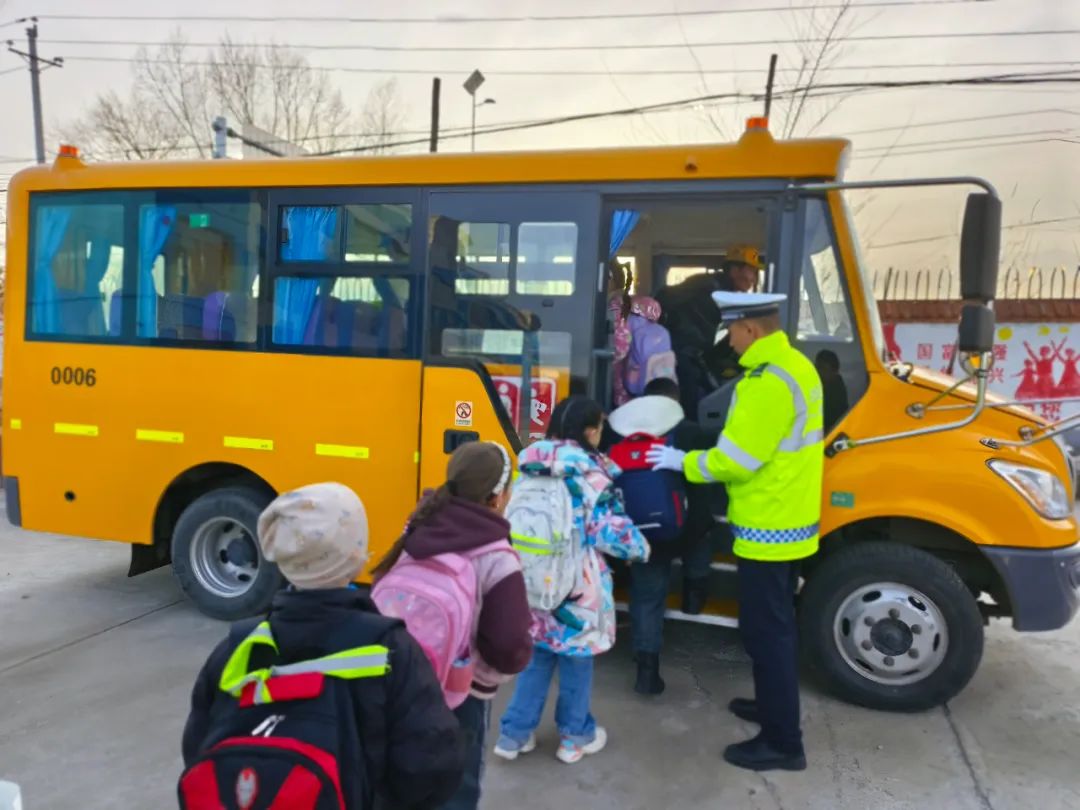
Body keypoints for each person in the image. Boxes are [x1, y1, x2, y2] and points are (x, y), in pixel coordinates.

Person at [181, 483, 465, 809]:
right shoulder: (391, 650)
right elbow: (431, 764)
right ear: (356, 557)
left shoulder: (237, 648)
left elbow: (197, 747)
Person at [649, 291, 823, 773]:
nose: (729, 342)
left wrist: (682, 461)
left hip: (769, 525)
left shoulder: (766, 382)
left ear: (751, 329)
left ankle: (783, 742)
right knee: (774, 626)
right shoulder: (796, 366)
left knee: (767, 634)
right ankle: (771, 707)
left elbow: (736, 460)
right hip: (790, 518)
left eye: (732, 332)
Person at [371, 441, 533, 810]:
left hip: (398, 679)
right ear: (497, 497)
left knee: (397, 774)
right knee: (455, 787)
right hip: (461, 694)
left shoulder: (418, 527)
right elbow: (509, 646)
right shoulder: (497, 556)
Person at [495, 396, 650, 765]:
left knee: (536, 659)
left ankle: (513, 735)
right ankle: (574, 737)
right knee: (577, 663)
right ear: (591, 431)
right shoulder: (591, 475)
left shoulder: (528, 467)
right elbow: (609, 531)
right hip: (576, 591)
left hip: (531, 581)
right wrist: (641, 548)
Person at [606, 376, 723, 695]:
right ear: (675, 401)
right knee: (702, 535)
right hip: (688, 528)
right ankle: (693, 596)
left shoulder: (620, 434)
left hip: (642, 531)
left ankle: (647, 672)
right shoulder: (691, 432)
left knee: (646, 598)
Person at [658, 245, 763, 415]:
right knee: (691, 400)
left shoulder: (720, 289)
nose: (754, 279)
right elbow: (664, 298)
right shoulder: (709, 287)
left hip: (693, 352)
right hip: (683, 353)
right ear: (735, 270)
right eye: (752, 271)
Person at [814, 349, 849, 431]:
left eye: (822, 368)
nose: (818, 372)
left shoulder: (836, 393)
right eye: (817, 367)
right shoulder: (816, 387)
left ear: (834, 371)